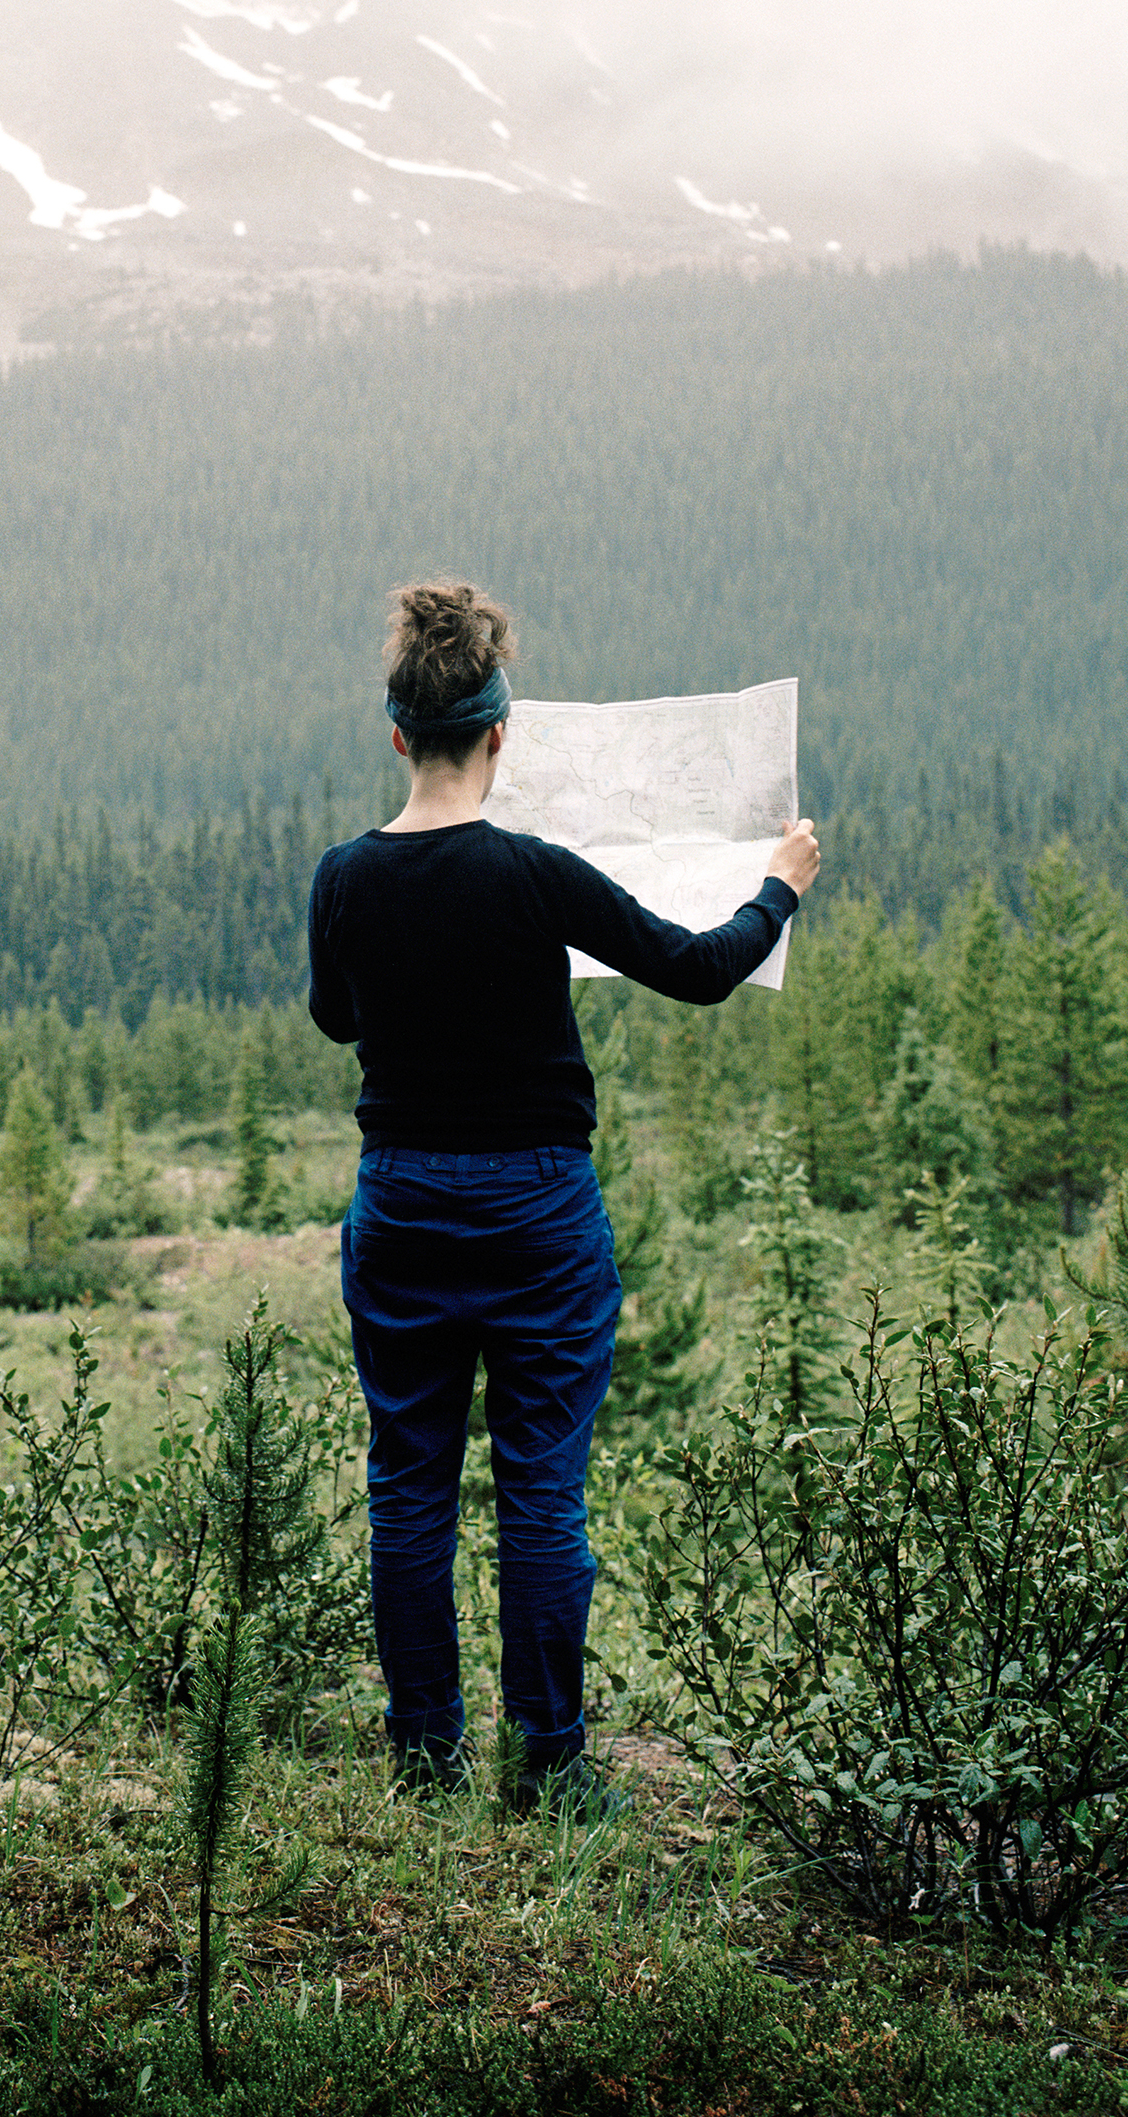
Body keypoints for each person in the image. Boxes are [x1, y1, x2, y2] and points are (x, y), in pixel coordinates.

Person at [306, 580, 818, 1810]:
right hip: (539, 1211)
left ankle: (425, 1758)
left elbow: (337, 1020)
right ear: (499, 734)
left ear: (396, 735)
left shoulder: (343, 879)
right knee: (541, 1487)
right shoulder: (541, 875)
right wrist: (781, 885)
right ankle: (551, 1765)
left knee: (409, 1483)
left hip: (404, 1202)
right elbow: (699, 972)